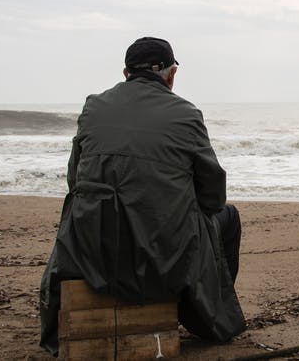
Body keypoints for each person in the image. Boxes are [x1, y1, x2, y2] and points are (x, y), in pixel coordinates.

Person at [39, 37, 245, 355]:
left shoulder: (93, 106)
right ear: (171, 74)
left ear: (125, 73)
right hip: (163, 256)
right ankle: (206, 316)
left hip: (90, 251)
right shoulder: (187, 114)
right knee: (227, 218)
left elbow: (74, 179)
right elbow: (213, 194)